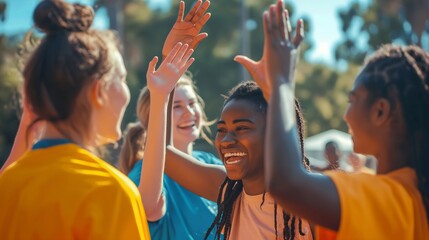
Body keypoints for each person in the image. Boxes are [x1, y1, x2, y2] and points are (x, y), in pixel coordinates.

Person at [262, 1, 429, 239]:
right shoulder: (413, 193)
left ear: (380, 112)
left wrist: (282, 82)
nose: (346, 114)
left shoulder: (387, 197)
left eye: (353, 100)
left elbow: (286, 183)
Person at [0, 0, 166, 238]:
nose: (127, 92)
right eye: (121, 78)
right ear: (98, 92)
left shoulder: (8, 185)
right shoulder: (111, 191)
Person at [119, 73, 223, 239]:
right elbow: (150, 209)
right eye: (176, 106)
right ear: (155, 119)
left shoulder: (209, 161)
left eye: (192, 103)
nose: (189, 112)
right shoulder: (145, 177)